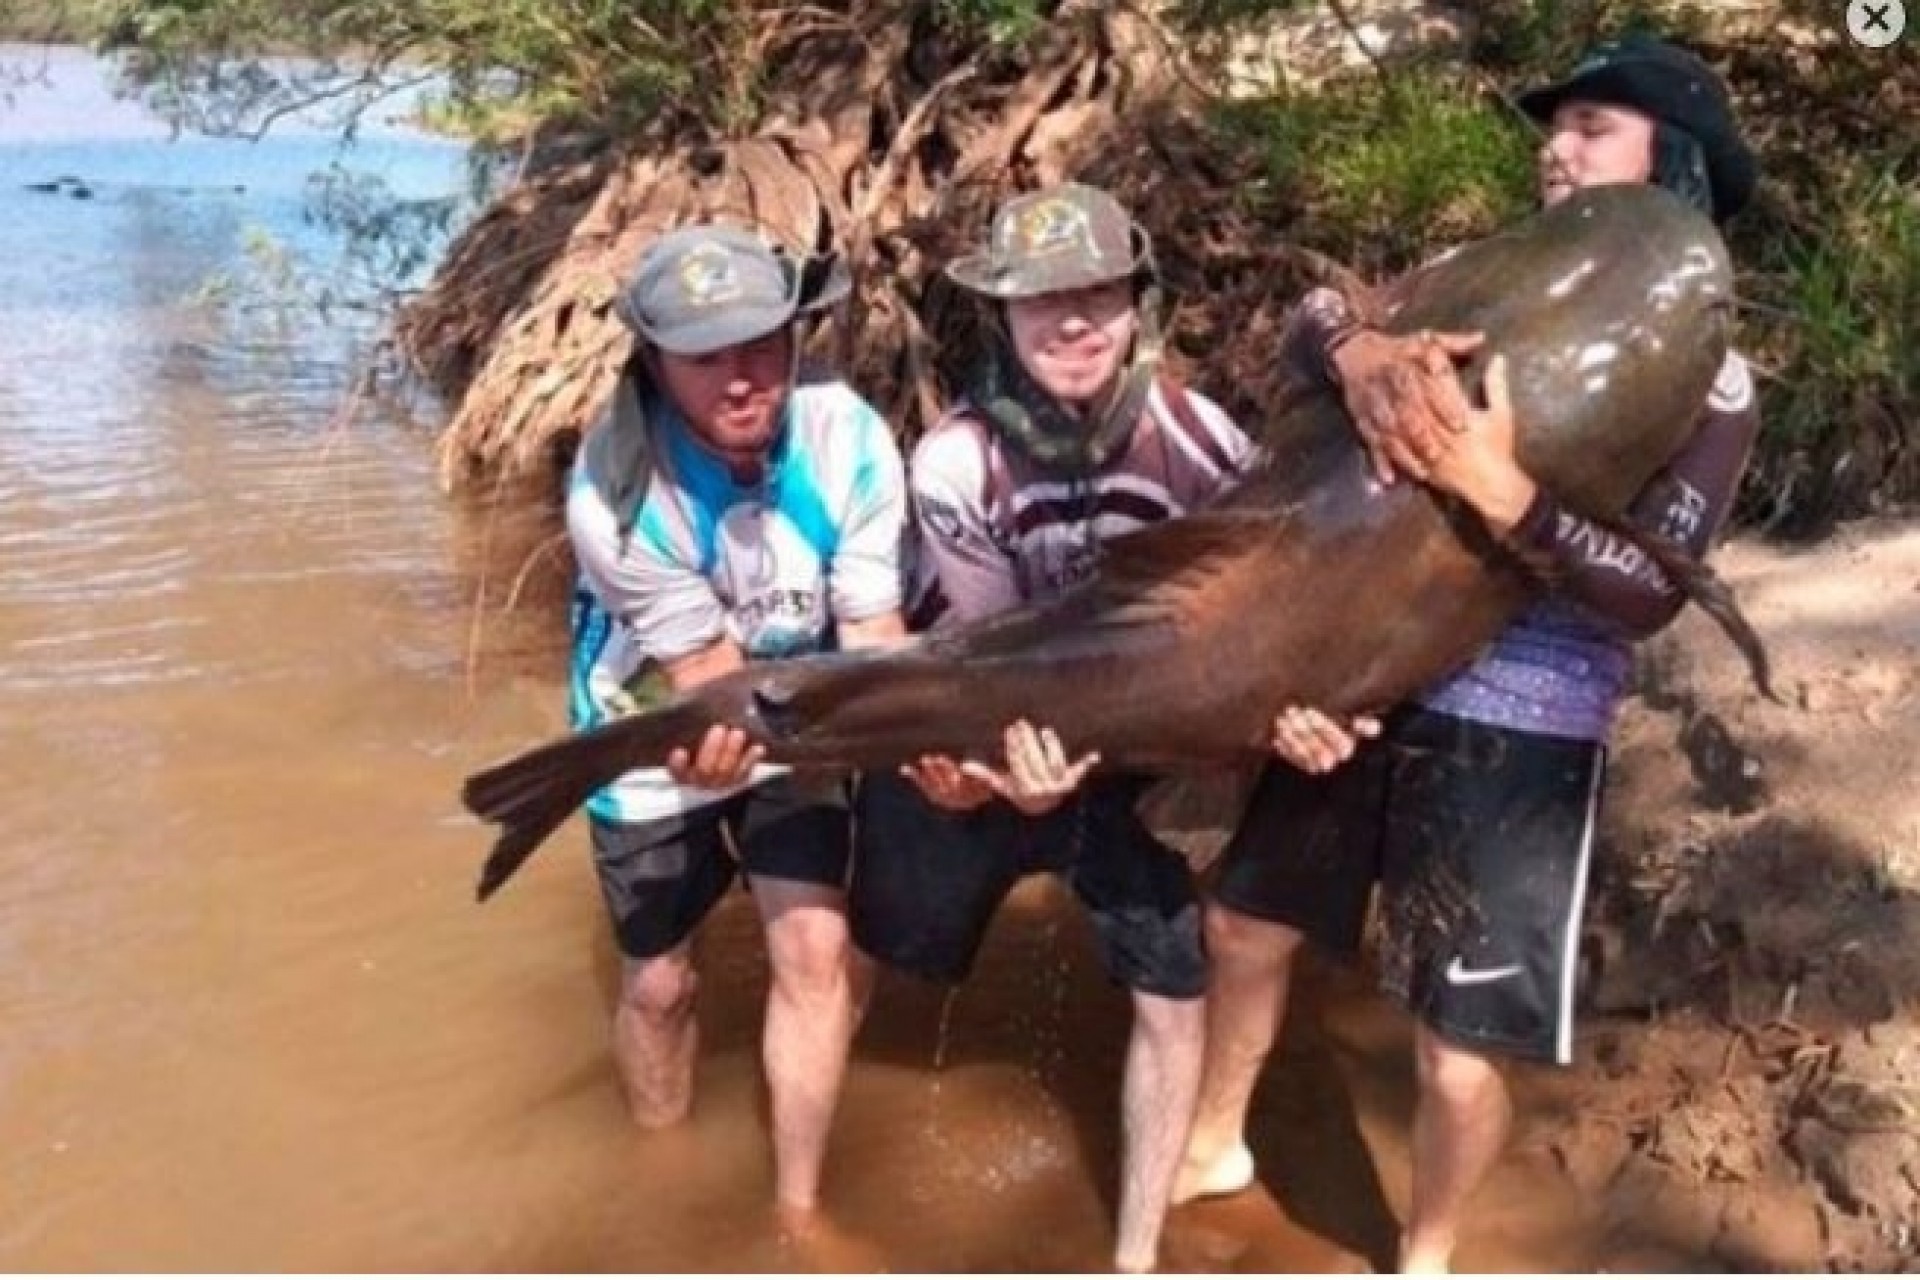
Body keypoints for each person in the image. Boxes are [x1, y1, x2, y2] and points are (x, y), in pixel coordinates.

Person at [1178, 35, 1762, 1273]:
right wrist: (1356, 351)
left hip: (1525, 714)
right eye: (1556, 125)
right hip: (1367, 666)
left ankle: (1428, 1252)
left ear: (1678, 161)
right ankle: (1212, 1147)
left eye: (1595, 124)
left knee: (1453, 1048)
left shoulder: (1715, 380)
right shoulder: (1473, 274)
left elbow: (1649, 595)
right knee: (1242, 924)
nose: (1557, 144)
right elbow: (1311, 319)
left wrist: (1513, 498)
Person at [849, 182, 1256, 1273]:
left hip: (1132, 745)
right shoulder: (953, 461)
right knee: (880, 956)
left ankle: (1133, 1253)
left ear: (1139, 304)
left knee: (1175, 990)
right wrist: (988, 774)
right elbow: (990, 662)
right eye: (1042, 302)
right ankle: (826, 1210)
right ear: (1002, 317)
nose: (1073, 323)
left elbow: (1243, 617)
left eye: (1097, 296)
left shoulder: (1203, 445)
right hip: (974, 726)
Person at [568, 221, 908, 1219]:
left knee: (813, 945)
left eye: (763, 343)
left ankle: (796, 1213)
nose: (742, 376)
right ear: (653, 358)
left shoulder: (850, 434)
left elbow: (876, 631)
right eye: (706, 357)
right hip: (652, 723)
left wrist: (927, 746)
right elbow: (706, 679)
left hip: (805, 702)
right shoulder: (613, 496)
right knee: (661, 982)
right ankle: (660, 1175)